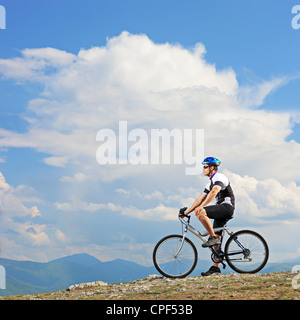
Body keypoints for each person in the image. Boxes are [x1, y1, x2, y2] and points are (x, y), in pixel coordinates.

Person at [182, 157, 235, 276]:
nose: (203, 169)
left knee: (201, 212)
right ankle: (215, 268)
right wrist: (186, 212)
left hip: (226, 207)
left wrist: (202, 207)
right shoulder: (209, 182)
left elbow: (214, 192)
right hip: (221, 209)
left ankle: (212, 237)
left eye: (205, 167)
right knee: (217, 238)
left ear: (212, 168)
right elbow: (200, 199)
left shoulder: (219, 177)